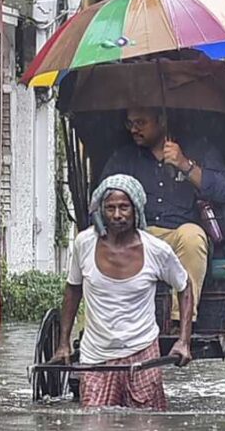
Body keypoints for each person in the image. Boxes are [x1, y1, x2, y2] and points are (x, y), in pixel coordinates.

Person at [51, 174, 193, 411]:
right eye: (110, 208)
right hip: (96, 355)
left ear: (136, 209)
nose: (117, 215)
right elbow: (73, 289)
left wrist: (184, 341)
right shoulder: (84, 244)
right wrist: (63, 343)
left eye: (124, 207)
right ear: (102, 211)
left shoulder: (157, 250)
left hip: (142, 353)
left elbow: (184, 287)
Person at [100, 108, 225, 327]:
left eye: (141, 122)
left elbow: (224, 191)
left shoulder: (199, 149)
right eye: (130, 123)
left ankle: (181, 323)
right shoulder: (124, 158)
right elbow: (103, 196)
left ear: (161, 120)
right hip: (139, 235)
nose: (134, 129)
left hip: (181, 236)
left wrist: (184, 165)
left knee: (192, 236)